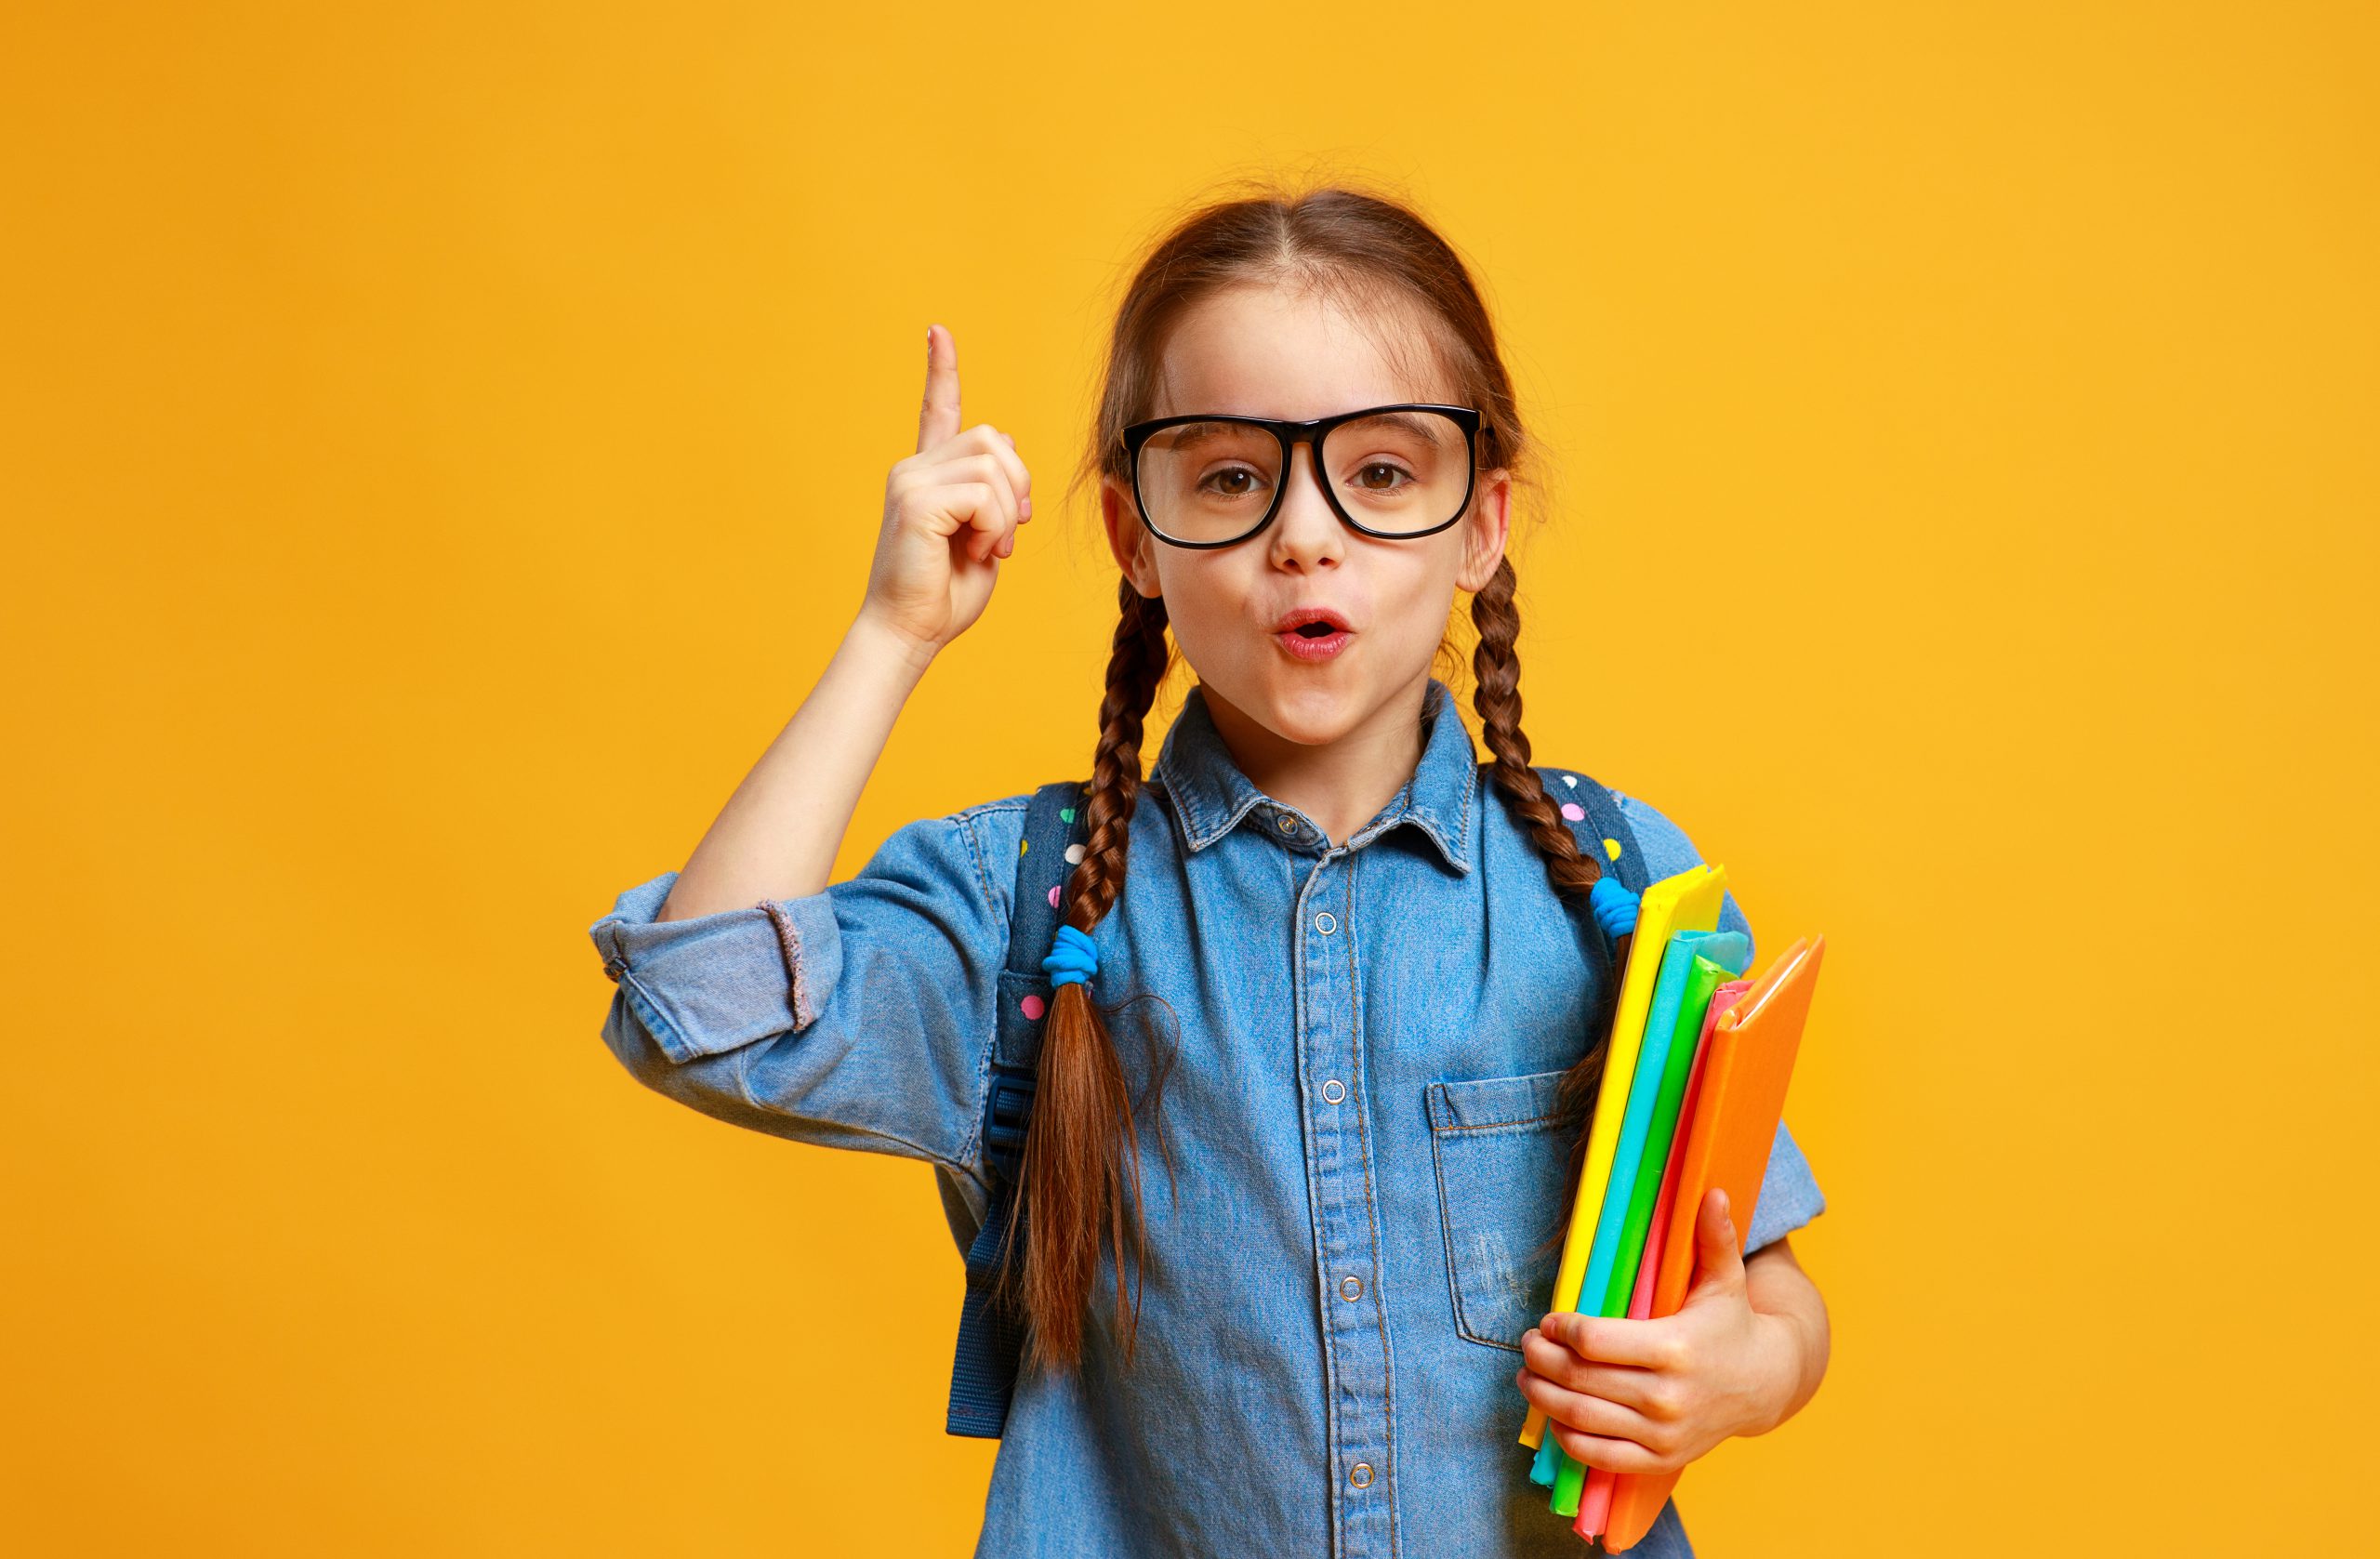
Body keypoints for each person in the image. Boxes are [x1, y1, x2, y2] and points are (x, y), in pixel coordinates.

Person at [587, 183, 1831, 1558]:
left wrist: (1744, 1372)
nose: (1305, 532)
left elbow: (1770, 1291)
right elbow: (696, 1007)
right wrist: (893, 633)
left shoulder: (1614, 887)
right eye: (1233, 476)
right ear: (1137, 539)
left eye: (1381, 472)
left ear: (1482, 525)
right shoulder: (1031, 907)